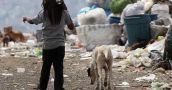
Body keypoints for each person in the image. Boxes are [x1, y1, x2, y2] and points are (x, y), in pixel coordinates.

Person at [23, 0, 75, 90]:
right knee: (58, 69)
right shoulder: (64, 12)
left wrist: (26, 18)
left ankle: (42, 87)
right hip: (60, 45)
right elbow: (71, 26)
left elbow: (33, 21)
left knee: (45, 69)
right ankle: (58, 88)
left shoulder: (44, 13)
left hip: (48, 46)